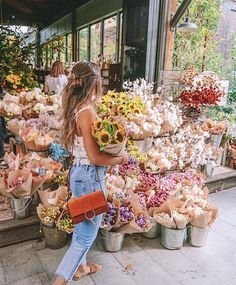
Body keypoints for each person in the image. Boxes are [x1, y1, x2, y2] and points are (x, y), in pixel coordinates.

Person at [53, 62, 128, 285]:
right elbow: (95, 158)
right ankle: (60, 281)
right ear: (93, 84)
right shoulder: (87, 113)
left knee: (81, 224)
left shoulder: (76, 108)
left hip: (80, 174)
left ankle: (81, 268)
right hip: (90, 177)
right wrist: (121, 158)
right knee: (85, 237)